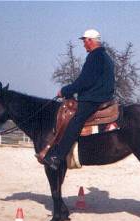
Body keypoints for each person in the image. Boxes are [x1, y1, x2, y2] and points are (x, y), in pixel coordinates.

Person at [43, 29, 115, 170]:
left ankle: (57, 157)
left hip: (94, 98)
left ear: (90, 40)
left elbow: (85, 81)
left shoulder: (95, 57)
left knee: (76, 121)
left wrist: (65, 90)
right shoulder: (105, 56)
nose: (83, 44)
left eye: (84, 41)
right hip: (102, 96)